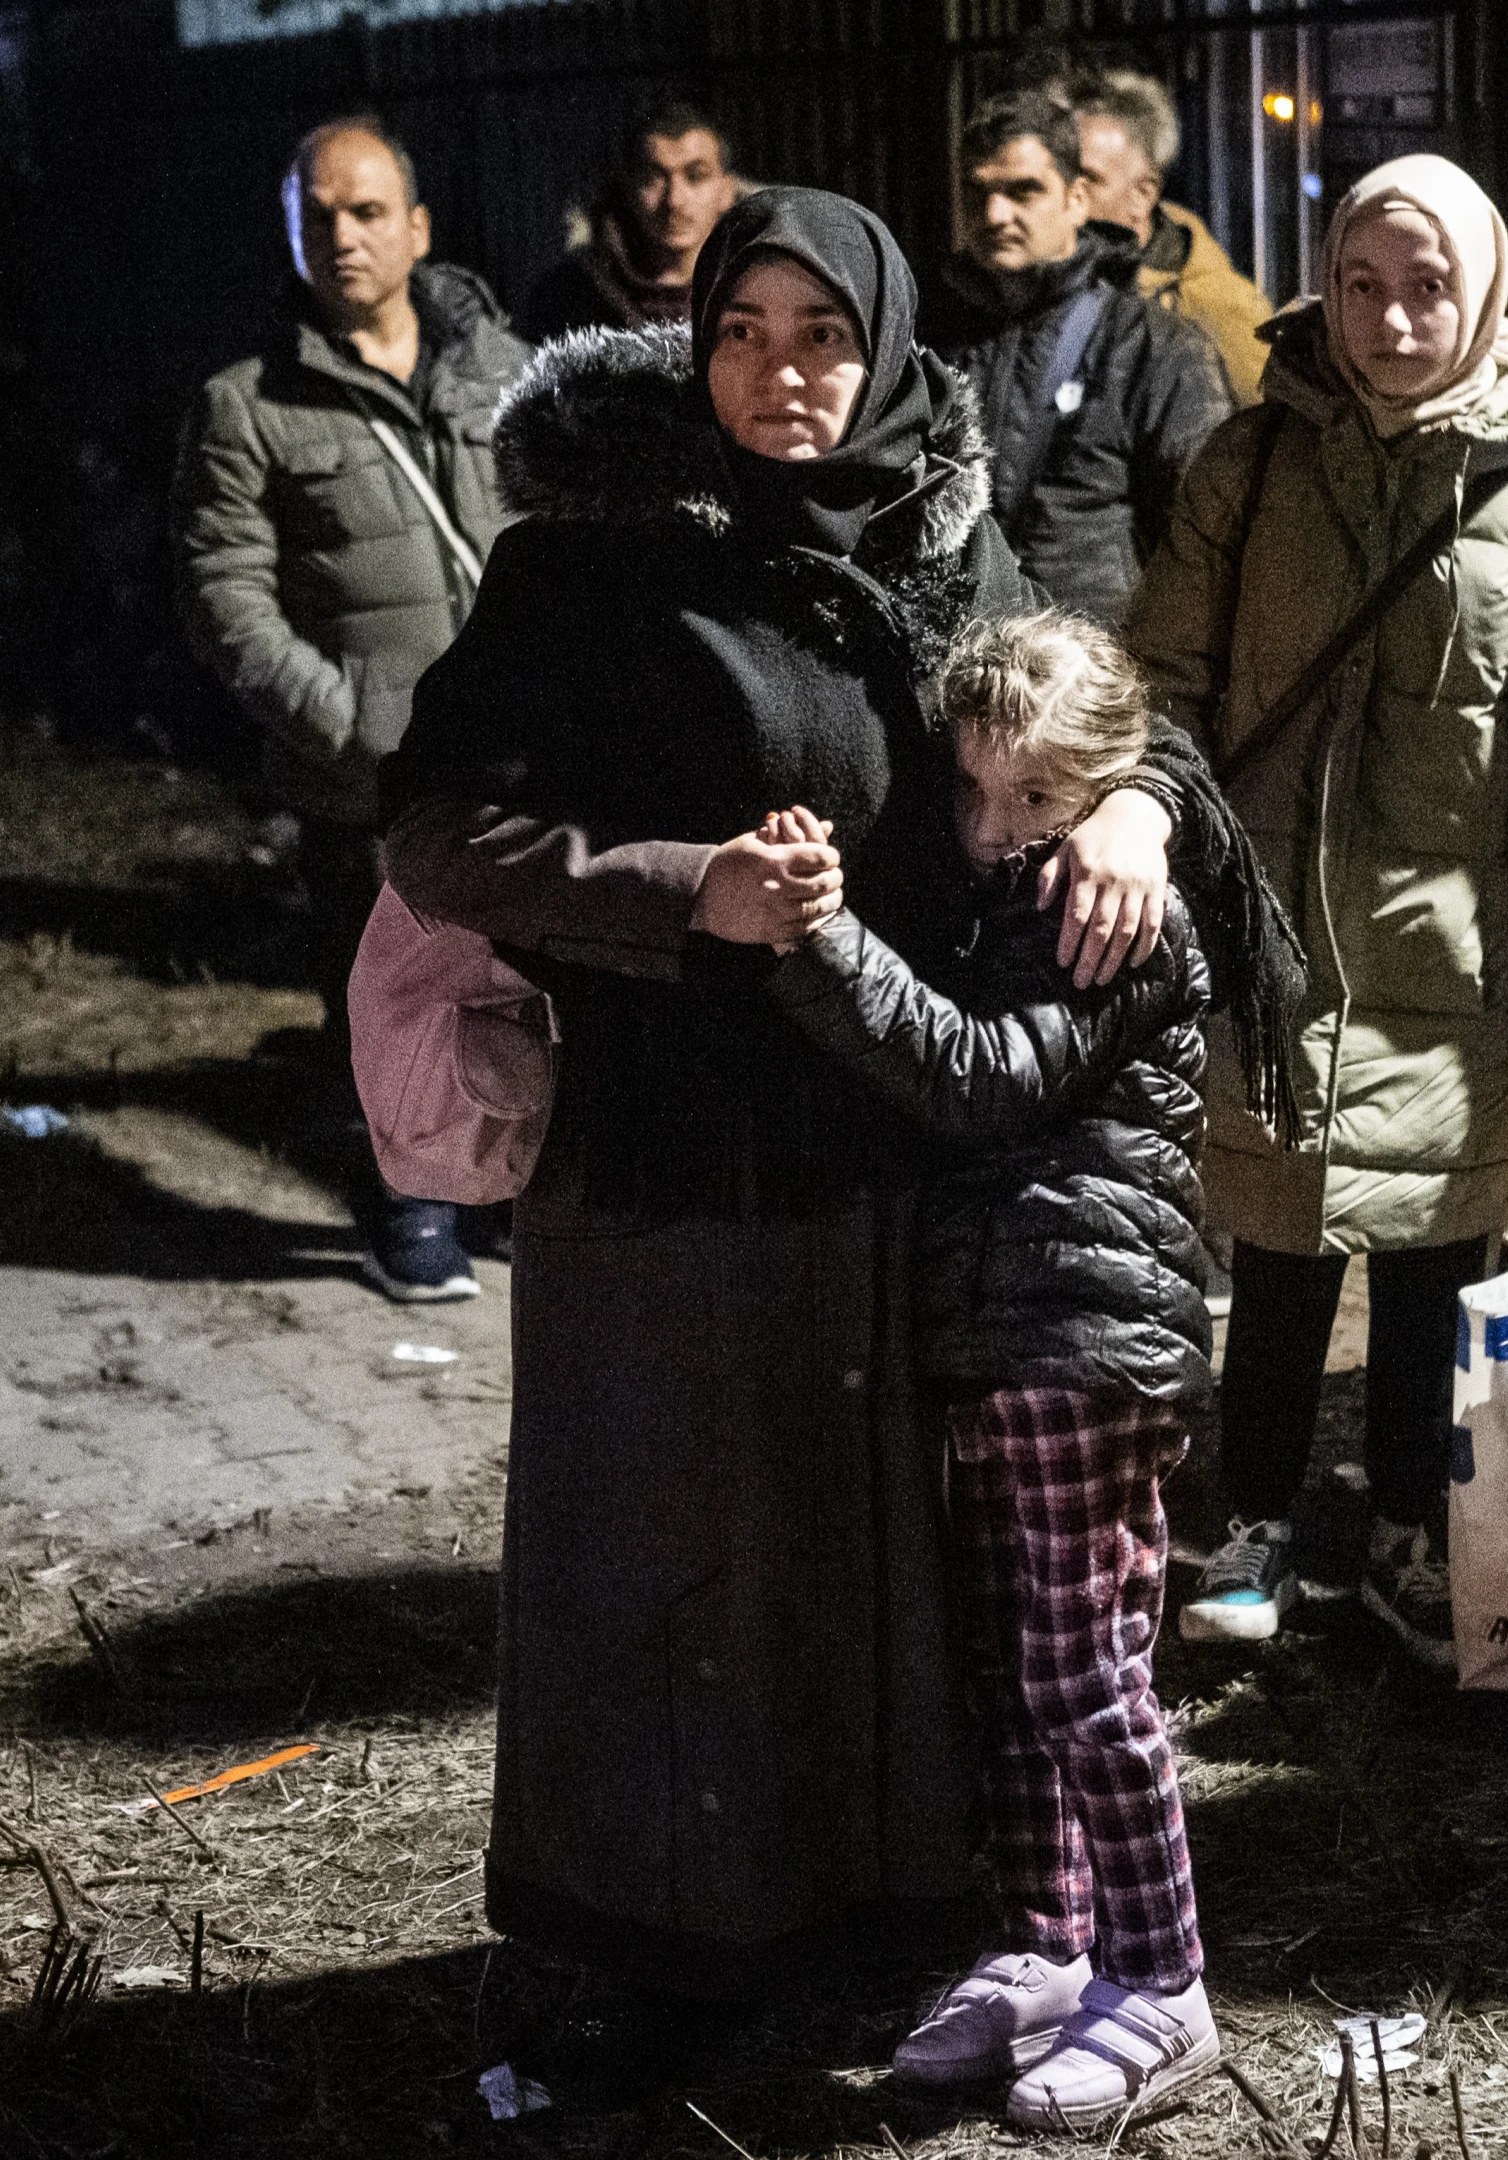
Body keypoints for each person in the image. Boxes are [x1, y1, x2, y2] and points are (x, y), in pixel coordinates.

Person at [375, 187, 1206, 2091]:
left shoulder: (952, 546)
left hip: (900, 1154)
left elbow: (1109, 726)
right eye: (740, 332)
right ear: (693, 347)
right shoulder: (590, 567)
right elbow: (437, 830)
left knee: (883, 1579)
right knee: (671, 1567)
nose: (783, 374)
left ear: (891, 343)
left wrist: (1138, 814)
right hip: (673, 1165)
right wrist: (685, 893)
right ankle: (655, 1942)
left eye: (822, 332)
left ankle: (908, 1918)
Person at [1121, 153, 1508, 1663]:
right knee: (1277, 1257)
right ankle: (1257, 1525)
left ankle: (1416, 1533)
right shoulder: (1253, 463)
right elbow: (1160, 681)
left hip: (1454, 963)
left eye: (1427, 287)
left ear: (1483, 288)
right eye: (1362, 284)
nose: (1393, 320)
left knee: (1439, 1266)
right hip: (1273, 948)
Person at [763, 610, 1293, 2130]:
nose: (997, 833)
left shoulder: (1123, 919)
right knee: (1009, 1671)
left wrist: (819, 944)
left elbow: (978, 1080)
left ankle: (1164, 1979)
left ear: (1113, 785)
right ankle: (1047, 1946)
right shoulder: (1009, 898)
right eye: (977, 793)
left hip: (1084, 1336)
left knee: (1086, 1673)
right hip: (999, 1329)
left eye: (1041, 802)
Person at [174, 116, 527, 1303]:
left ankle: (510, 1187)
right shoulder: (248, 406)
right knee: (389, 997)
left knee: (528, 977)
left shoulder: (503, 369)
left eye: (367, 210)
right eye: (316, 214)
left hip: (519, 759)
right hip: (364, 774)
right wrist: (345, 720)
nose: (343, 235)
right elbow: (227, 598)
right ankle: (411, 1205)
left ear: (418, 228)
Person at [924, 89, 1234, 625]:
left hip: (1090, 675)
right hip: (951, 662)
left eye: (1024, 191)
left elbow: (1211, 539)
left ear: (1076, 199)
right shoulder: (925, 333)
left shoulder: (1154, 346)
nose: (995, 214)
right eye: (978, 193)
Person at [1067, 68, 1275, 400]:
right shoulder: (1055, 275)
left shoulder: (1222, 308)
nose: (1067, 193)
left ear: (1143, 194)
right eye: (1061, 174)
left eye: (1088, 179)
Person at [512, 94, 741, 344]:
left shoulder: (761, 286)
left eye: (696, 176)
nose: (674, 200)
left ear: (726, 191)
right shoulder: (570, 296)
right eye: (653, 178)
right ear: (630, 188)